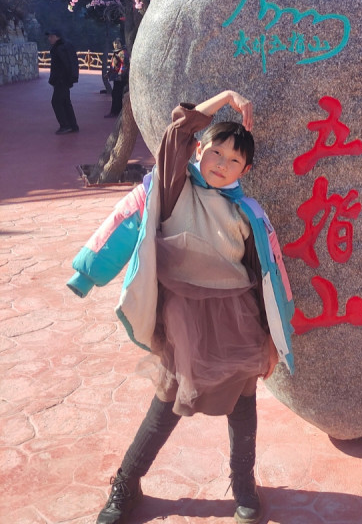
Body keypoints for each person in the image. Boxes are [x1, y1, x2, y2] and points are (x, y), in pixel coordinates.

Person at [66, 90, 295, 524]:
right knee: (167, 401)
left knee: (243, 405)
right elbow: (177, 132)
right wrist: (224, 98)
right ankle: (126, 483)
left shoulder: (247, 213)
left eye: (234, 160)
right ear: (200, 150)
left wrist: (272, 339)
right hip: (183, 320)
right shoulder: (175, 186)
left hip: (238, 319)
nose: (222, 164)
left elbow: (264, 277)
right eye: (216, 152)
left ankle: (243, 485)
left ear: (246, 170)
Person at [47, 29, 79, 134]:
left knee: (56, 102)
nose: (49, 38)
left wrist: (59, 78)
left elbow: (64, 65)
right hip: (65, 80)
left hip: (61, 80)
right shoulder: (64, 46)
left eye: (51, 36)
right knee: (65, 102)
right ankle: (73, 125)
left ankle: (65, 125)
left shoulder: (59, 48)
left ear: (57, 37)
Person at [105, 39, 129, 118]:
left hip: (121, 78)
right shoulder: (116, 53)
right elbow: (113, 65)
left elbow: (124, 65)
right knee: (115, 94)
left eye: (117, 43)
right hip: (116, 77)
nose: (116, 45)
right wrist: (109, 74)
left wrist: (120, 74)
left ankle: (116, 112)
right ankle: (115, 111)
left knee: (117, 94)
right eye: (115, 43)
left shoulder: (122, 53)